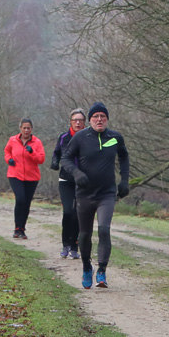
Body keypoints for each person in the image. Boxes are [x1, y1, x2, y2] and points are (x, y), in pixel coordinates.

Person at [60, 102, 130, 289]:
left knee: (104, 229)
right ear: (90, 120)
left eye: (103, 117)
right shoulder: (81, 137)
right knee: (84, 234)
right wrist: (76, 173)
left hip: (106, 193)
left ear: (107, 119)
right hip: (84, 193)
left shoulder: (115, 137)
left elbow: (124, 157)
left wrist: (124, 180)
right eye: (95, 117)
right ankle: (86, 267)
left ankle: (102, 270)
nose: (99, 119)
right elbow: (65, 159)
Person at [50, 108, 86, 259]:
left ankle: (74, 246)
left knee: (78, 214)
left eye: (80, 120)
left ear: (85, 122)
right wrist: (54, 161)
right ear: (70, 122)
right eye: (75, 120)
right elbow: (57, 152)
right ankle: (65, 243)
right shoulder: (64, 137)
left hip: (83, 181)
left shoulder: (89, 137)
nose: (77, 122)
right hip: (66, 179)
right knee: (68, 212)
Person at [4, 118, 45, 239]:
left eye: (29, 128)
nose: (26, 130)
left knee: (26, 203)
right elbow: (7, 151)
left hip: (31, 177)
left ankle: (22, 229)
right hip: (15, 174)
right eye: (24, 128)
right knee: (20, 199)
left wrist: (32, 152)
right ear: (20, 128)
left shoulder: (37, 142)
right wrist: (8, 159)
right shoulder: (13, 140)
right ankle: (17, 227)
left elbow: (41, 159)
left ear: (32, 129)